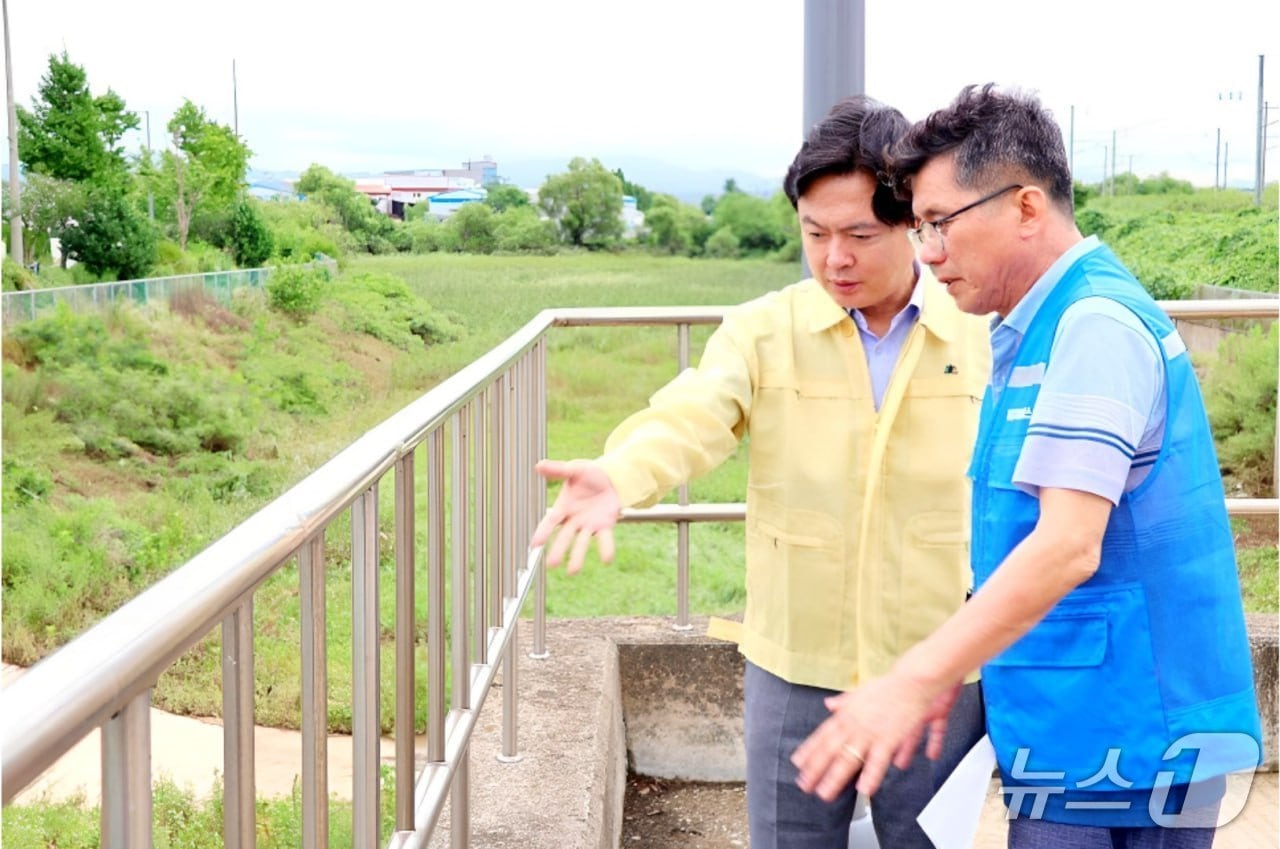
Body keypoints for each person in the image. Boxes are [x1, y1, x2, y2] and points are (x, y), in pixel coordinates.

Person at [792, 84, 1264, 848]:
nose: (929, 253)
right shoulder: (1036, 327)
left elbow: (1067, 543)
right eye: (917, 228)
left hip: (1129, 734)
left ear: (1025, 206)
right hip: (1077, 718)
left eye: (940, 223)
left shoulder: (1093, 327)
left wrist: (917, 677)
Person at [529, 94, 992, 849]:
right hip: (795, 660)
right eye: (814, 234)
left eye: (858, 235)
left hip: (936, 665)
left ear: (913, 221)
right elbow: (694, 413)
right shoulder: (765, 330)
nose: (833, 257)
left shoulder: (976, 329)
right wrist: (620, 474)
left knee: (929, 842)